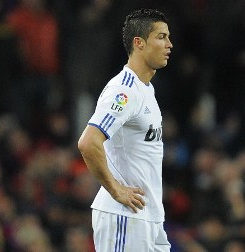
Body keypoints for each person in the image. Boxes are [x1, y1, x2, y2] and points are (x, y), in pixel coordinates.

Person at [77, 9, 173, 251]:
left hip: (149, 216)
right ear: (139, 43)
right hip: (125, 217)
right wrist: (115, 190)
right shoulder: (124, 90)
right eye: (161, 37)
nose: (169, 44)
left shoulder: (146, 89)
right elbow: (89, 142)